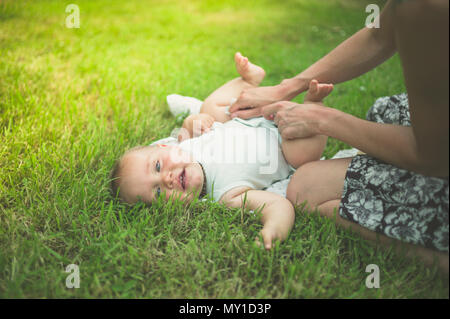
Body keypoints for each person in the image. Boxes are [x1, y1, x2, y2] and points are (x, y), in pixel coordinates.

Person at [229, 0, 449, 272]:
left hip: (437, 156)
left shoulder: (431, 8)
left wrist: (323, 119)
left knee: (307, 188)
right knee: (382, 112)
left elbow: (434, 156)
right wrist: (286, 87)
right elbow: (379, 34)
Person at [111, 53, 333, 249]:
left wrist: (194, 119)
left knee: (209, 107)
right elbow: (276, 204)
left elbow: (188, 124)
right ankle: (315, 105)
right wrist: (275, 228)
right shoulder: (227, 196)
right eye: (158, 192)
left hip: (253, 117)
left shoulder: (184, 144)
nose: (166, 179)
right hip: (286, 145)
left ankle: (248, 80)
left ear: (164, 147)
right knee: (303, 154)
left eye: (157, 166)